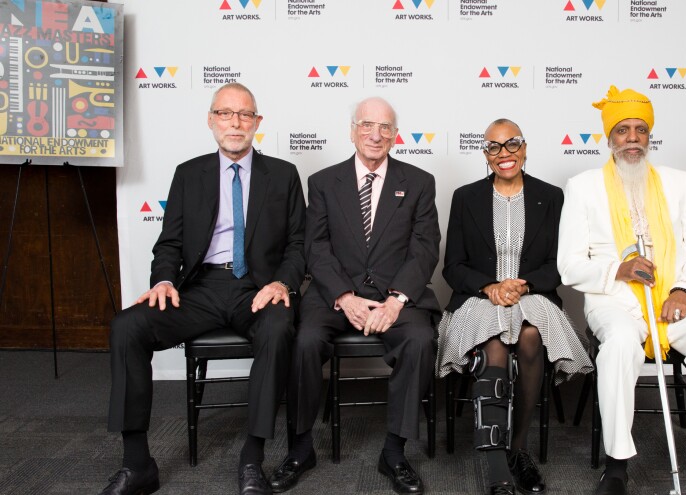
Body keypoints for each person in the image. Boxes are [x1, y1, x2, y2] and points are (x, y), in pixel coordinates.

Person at [101, 82, 306, 495]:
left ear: (257, 123)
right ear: (210, 120)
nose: (236, 122)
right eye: (226, 113)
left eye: (245, 114)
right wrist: (162, 279)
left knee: (278, 327)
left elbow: (300, 245)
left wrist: (282, 282)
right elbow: (170, 243)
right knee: (127, 326)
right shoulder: (188, 173)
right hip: (201, 288)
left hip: (258, 287)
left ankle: (252, 459)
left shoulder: (283, 175)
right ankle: (137, 463)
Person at [557, 86, 686, 495]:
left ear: (650, 136)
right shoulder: (583, 186)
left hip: (673, 300)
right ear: (610, 138)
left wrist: (684, 292)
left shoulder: (680, 183)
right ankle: (617, 464)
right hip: (615, 301)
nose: (632, 139)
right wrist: (618, 270)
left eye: (640, 130)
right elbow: (569, 266)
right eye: (623, 130)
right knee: (621, 344)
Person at [273, 96, 440, 495]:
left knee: (420, 340)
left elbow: (425, 247)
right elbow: (316, 246)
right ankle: (300, 447)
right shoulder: (323, 182)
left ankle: (395, 452)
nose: (375, 134)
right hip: (335, 293)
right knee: (306, 339)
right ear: (352, 130)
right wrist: (344, 296)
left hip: (393, 294)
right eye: (367, 125)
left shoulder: (418, 182)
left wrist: (398, 299)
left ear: (396, 135)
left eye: (385, 127)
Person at [437, 119, 593, 495]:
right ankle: (495, 465)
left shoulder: (551, 196)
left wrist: (524, 284)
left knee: (531, 338)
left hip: (533, 295)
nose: (503, 154)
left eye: (511, 145)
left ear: (524, 148)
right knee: (493, 342)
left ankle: (518, 449)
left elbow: (560, 261)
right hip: (479, 297)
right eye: (493, 147)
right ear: (485, 154)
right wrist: (489, 286)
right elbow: (453, 266)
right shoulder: (465, 197)